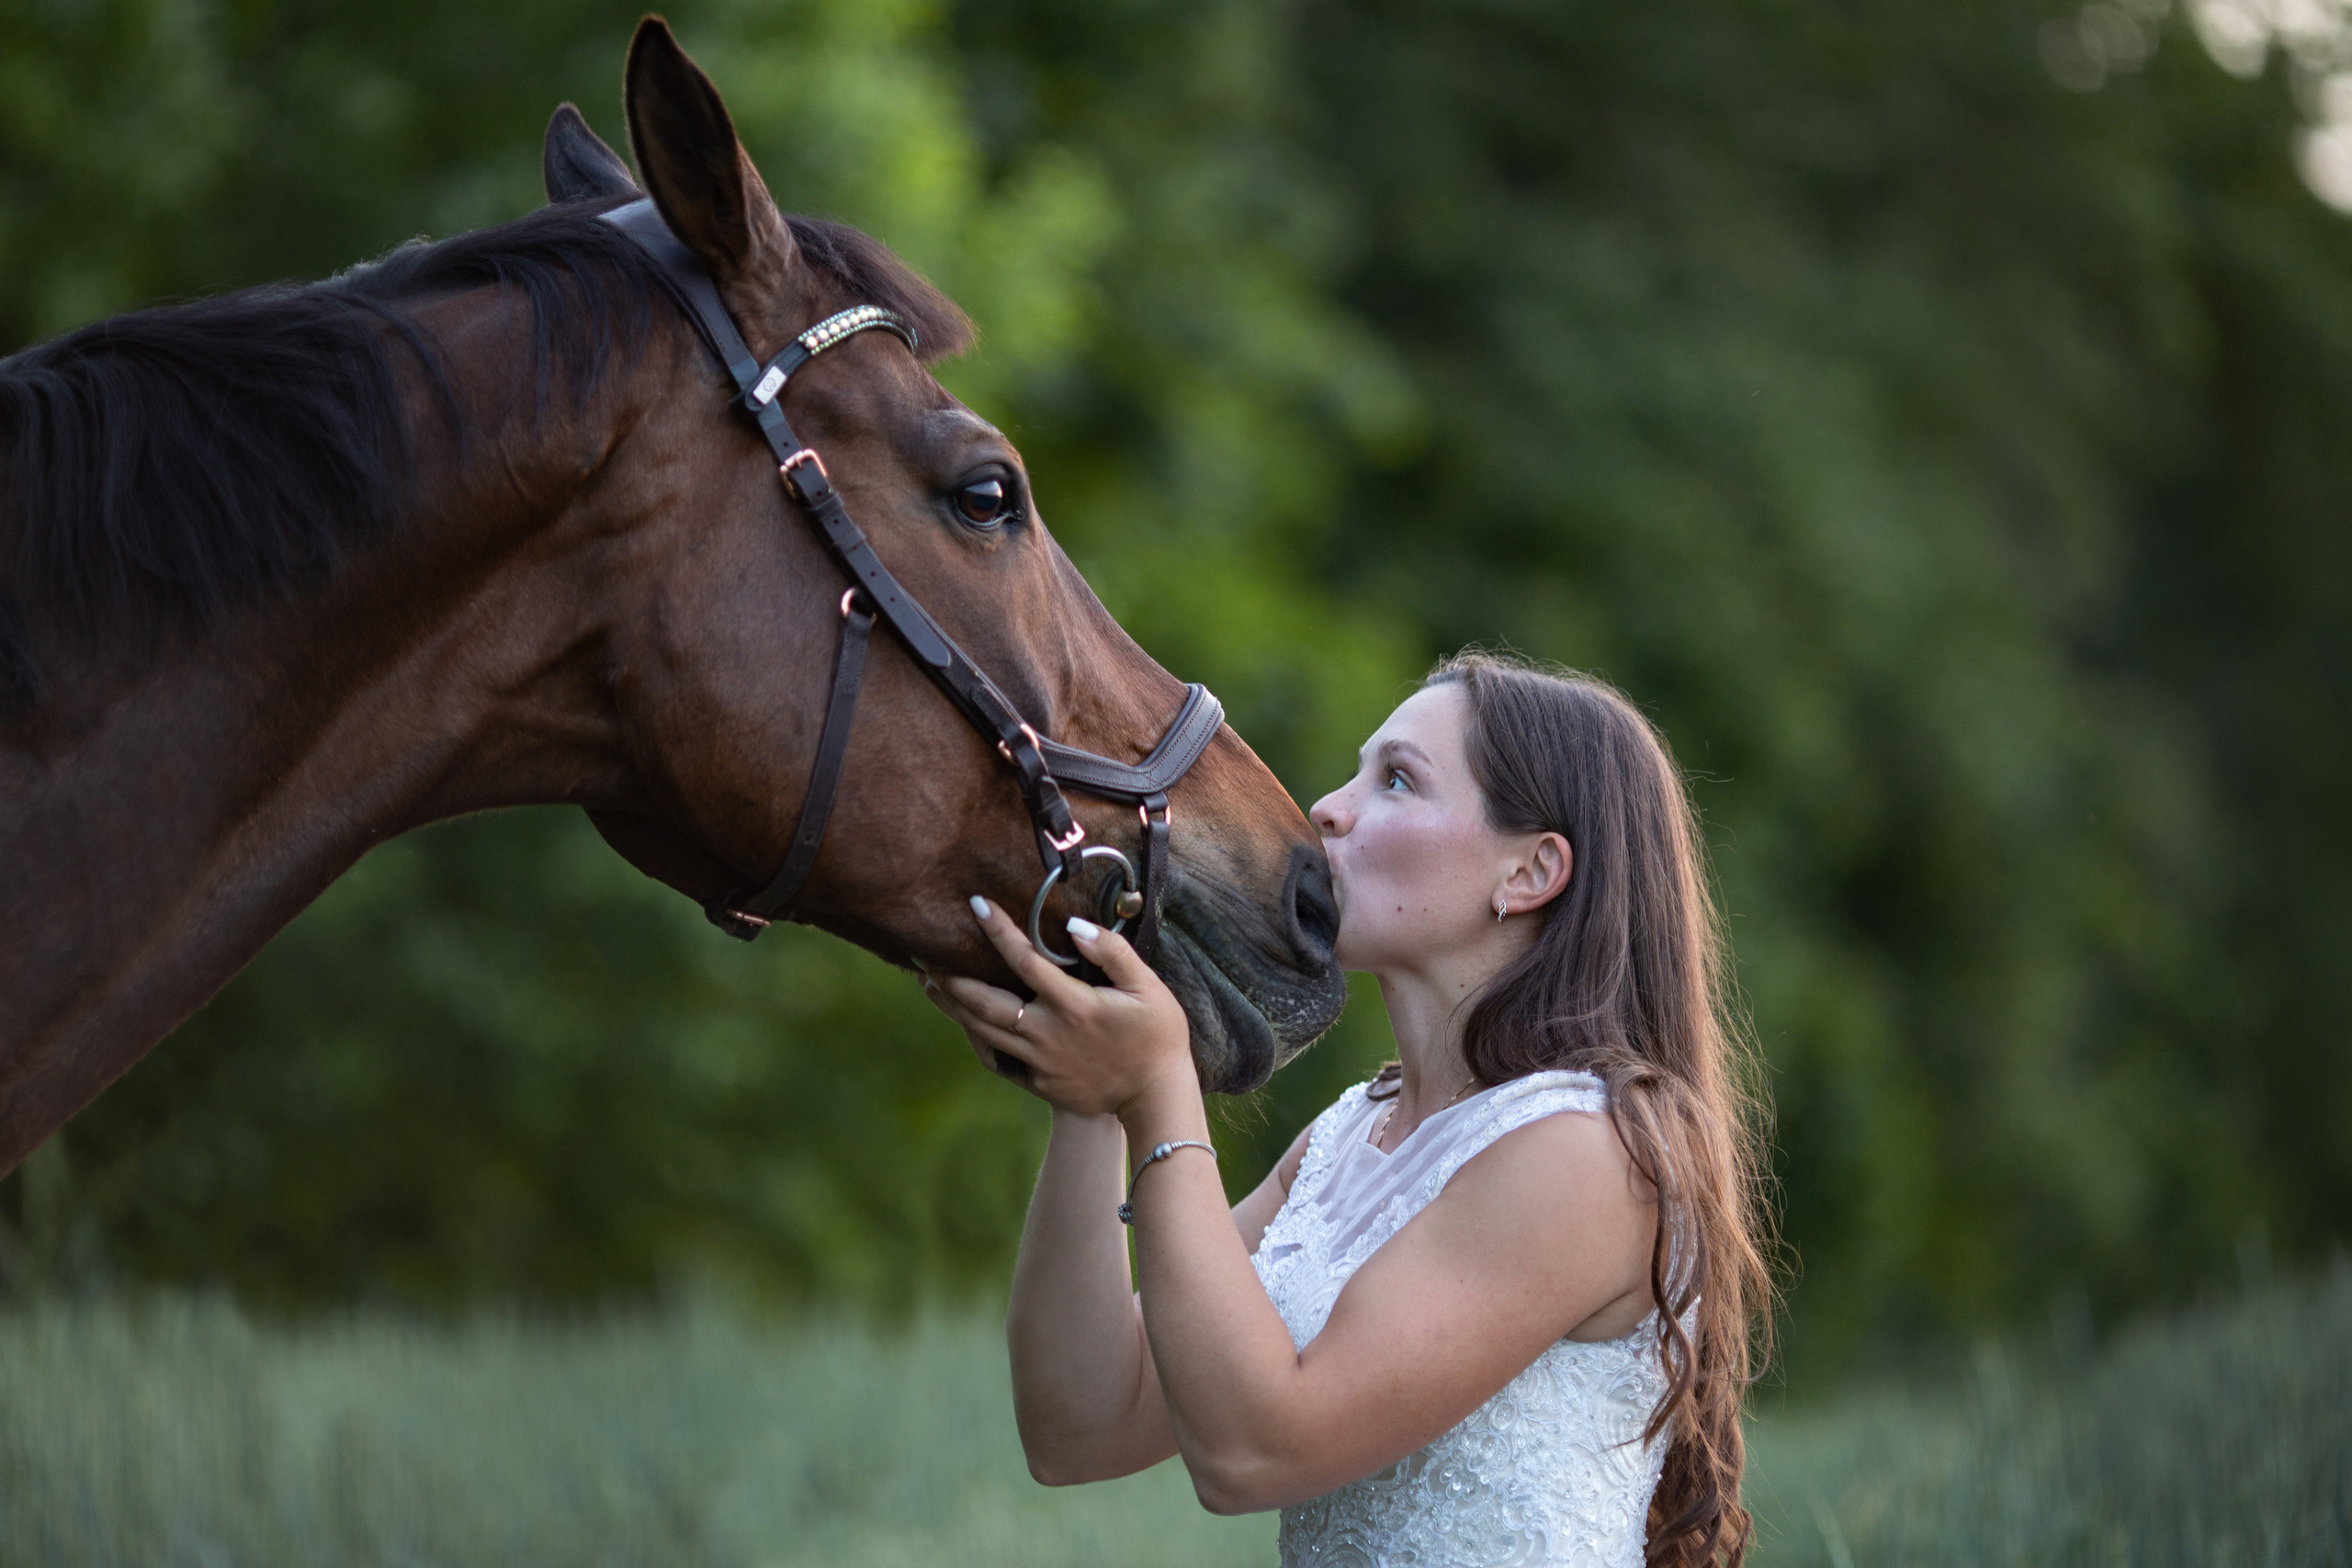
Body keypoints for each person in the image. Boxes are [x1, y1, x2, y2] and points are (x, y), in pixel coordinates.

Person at [921, 652, 1772, 1568]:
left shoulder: (1585, 1155)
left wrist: (1159, 1090)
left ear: (1529, 871)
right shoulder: (1347, 1138)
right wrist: (1088, 1100)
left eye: (1398, 779)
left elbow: (1253, 1454)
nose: (1327, 807)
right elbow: (1080, 1426)